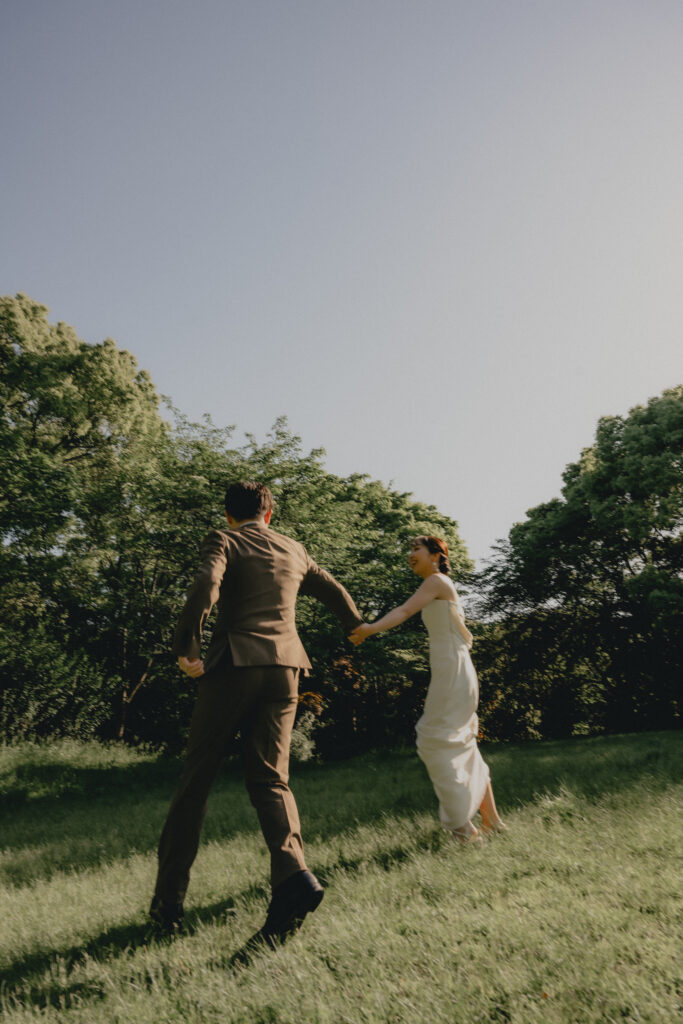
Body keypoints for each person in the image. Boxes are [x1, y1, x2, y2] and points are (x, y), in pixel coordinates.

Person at [150, 481, 362, 944]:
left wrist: (188, 646)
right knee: (271, 780)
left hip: (234, 666)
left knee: (196, 782)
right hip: (287, 669)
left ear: (229, 515)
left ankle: (168, 906)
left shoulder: (225, 539)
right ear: (270, 513)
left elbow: (208, 582)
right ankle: (294, 877)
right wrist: (355, 625)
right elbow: (332, 588)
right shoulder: (294, 548)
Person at [350, 536, 506, 844]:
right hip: (455, 670)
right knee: (463, 743)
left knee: (432, 740)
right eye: (408, 549)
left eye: (415, 549)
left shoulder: (436, 580)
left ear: (436, 555)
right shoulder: (437, 582)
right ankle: (492, 822)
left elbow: (405, 611)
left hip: (453, 671)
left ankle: (462, 828)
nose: (410, 555)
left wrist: (369, 630)